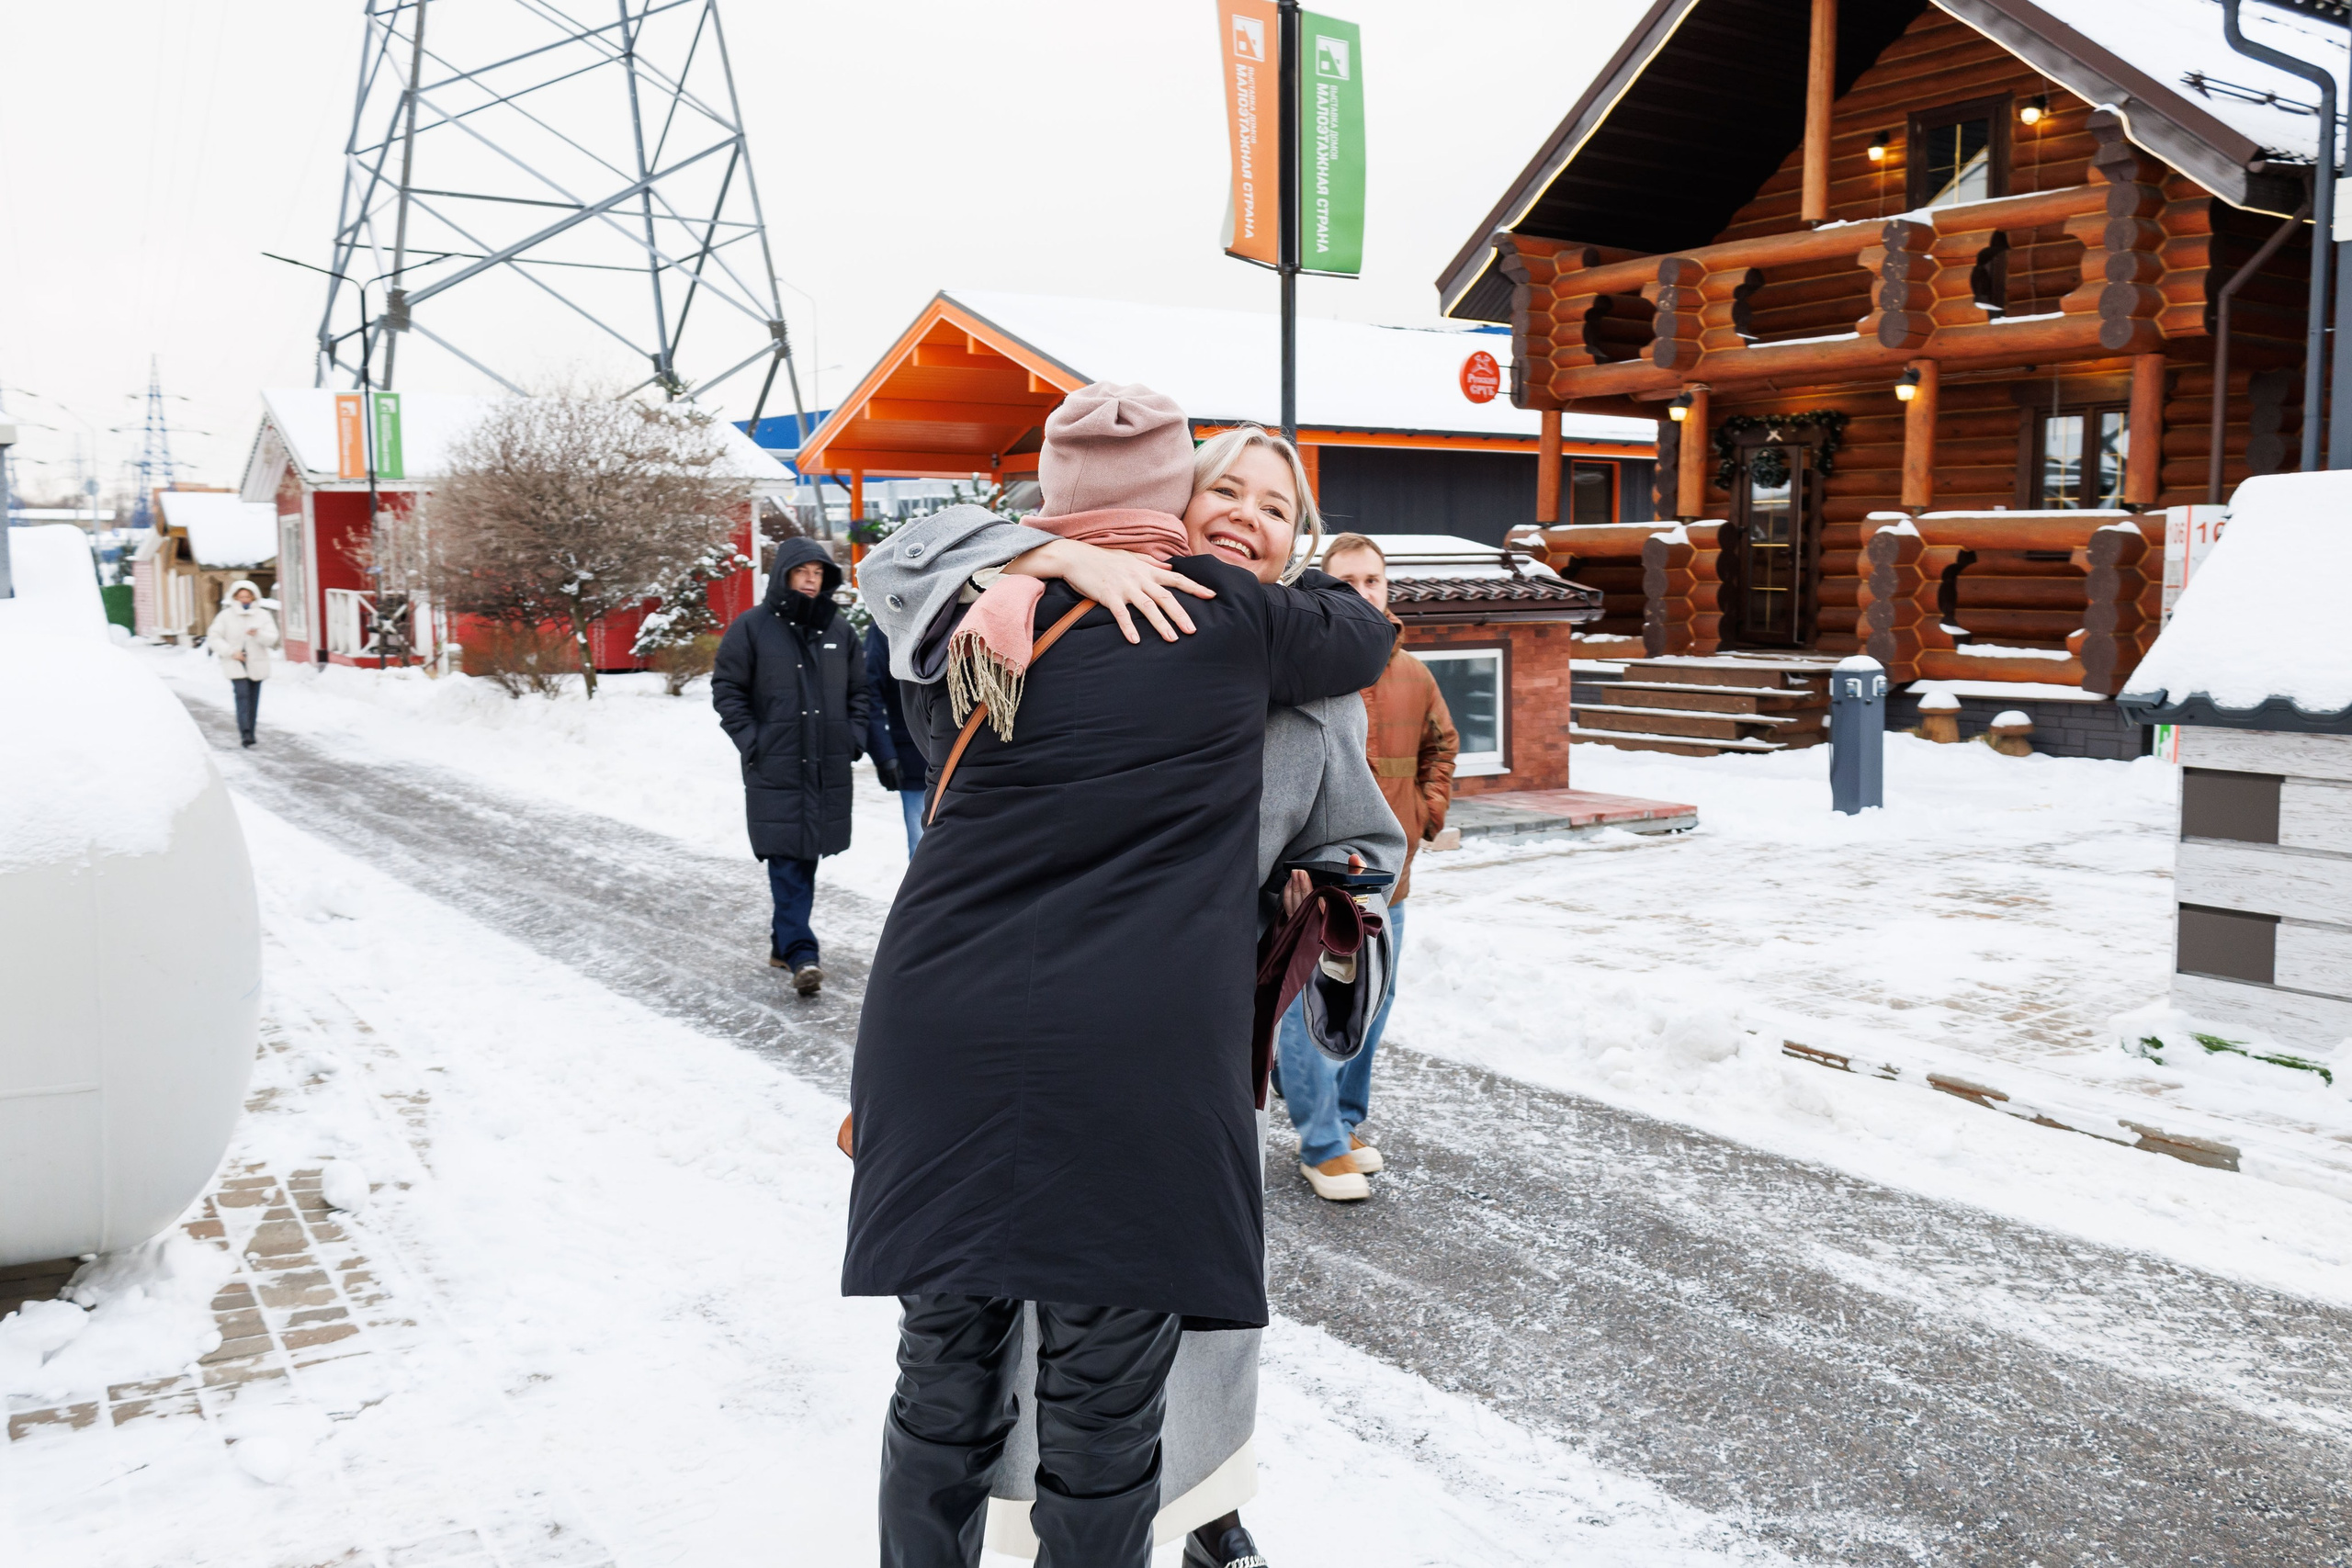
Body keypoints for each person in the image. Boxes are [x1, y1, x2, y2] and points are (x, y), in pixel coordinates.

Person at [845, 385, 1393, 1568]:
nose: (1246, 516)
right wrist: (1045, 556)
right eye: (1225, 490)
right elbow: (1365, 624)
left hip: (958, 1024)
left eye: (1275, 503)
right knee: (1079, 1404)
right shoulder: (1072, 607)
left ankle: (1206, 1517)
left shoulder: (987, 613)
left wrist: (1318, 901)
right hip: (1131, 1051)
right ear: (1173, 502)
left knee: (969, 1379)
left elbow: (1365, 856)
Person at [1280, 532, 1455, 1195]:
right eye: (1346, 580)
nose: (1362, 592)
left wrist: (1427, 815)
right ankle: (1320, 1144)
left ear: (1388, 588)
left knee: (1372, 1004)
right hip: (1321, 882)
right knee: (1314, 1009)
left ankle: (1347, 1122)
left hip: (1393, 880)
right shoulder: (1307, 672)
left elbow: (1443, 743)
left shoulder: (1412, 672)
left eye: (1373, 580)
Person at [711, 537, 871, 997]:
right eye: (802, 571)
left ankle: (784, 944)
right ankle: (803, 953)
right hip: (776, 767)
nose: (810, 580)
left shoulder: (838, 630)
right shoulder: (752, 628)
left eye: (818, 573)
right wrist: (752, 741)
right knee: (786, 859)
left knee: (804, 860)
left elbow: (860, 692)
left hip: (825, 767)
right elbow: (728, 689)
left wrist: (852, 738)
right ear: (783, 574)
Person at [860, 621, 926, 855]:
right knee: (922, 849)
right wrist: (884, 754)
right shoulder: (885, 627)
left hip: (963, 757)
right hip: (915, 758)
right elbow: (869, 694)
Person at [205, 580, 279, 749]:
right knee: (242, 696)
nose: (244, 600)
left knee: (253, 700)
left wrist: (258, 634)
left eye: (247, 596)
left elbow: (272, 637)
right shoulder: (225, 616)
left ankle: (251, 732)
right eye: (241, 597)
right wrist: (231, 652)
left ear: (253, 597)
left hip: (257, 663)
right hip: (235, 662)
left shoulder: (262, 615)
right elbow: (214, 637)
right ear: (235, 597)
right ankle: (245, 733)